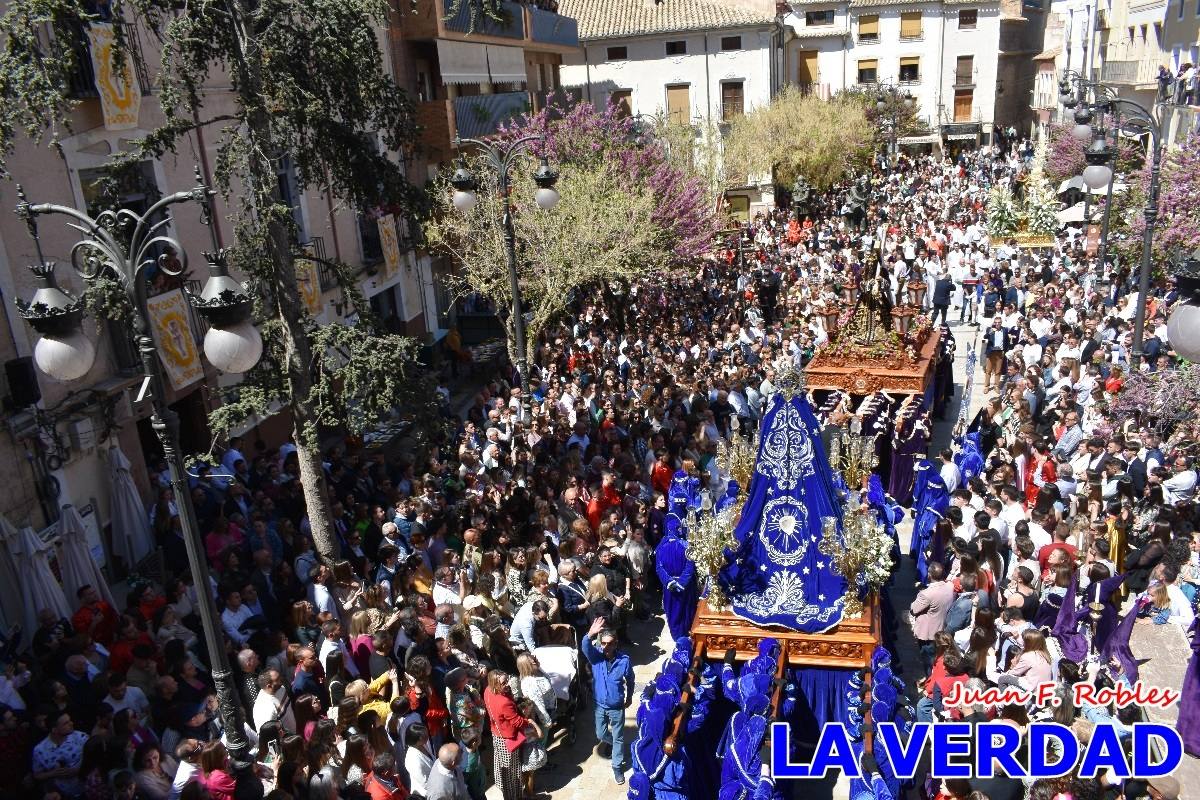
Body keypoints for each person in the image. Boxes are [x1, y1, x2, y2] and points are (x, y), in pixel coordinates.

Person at [581, 617, 634, 785]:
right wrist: (590, 634)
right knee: (600, 734)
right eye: (603, 643)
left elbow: (630, 680)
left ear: (616, 643)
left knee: (618, 737)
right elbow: (585, 647)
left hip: (617, 706)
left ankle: (617, 767)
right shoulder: (596, 657)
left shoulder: (624, 661)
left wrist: (629, 697)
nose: (606, 647)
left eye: (609, 644)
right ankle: (614, 744)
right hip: (599, 705)